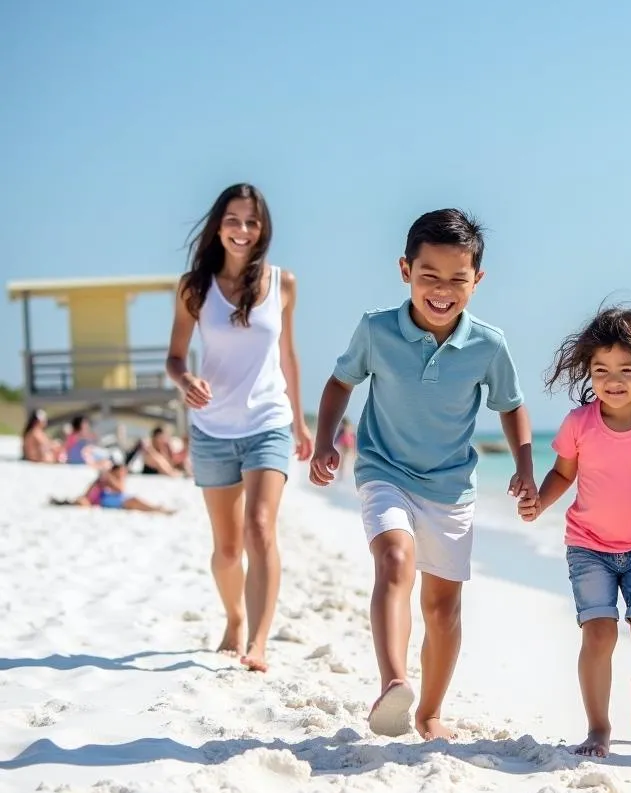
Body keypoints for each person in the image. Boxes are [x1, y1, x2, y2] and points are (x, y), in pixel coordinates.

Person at [310, 208, 536, 741]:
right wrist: (324, 444)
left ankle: (430, 711)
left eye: (457, 280)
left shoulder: (488, 344)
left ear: (476, 281)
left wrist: (525, 468)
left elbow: (512, 405)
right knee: (393, 560)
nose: (441, 290)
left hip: (451, 486)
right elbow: (340, 383)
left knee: (442, 607)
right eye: (428, 276)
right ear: (404, 270)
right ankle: (394, 683)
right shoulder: (376, 329)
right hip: (384, 469)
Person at [517, 307, 631, 758]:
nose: (612, 380)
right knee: (598, 635)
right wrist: (540, 500)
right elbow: (563, 474)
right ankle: (598, 728)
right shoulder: (579, 424)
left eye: (625, 370)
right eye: (601, 371)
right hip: (588, 546)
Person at [165, 183, 313, 673]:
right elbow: (174, 356)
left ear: (263, 228)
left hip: (269, 421)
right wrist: (186, 379)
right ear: (218, 225)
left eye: (252, 221)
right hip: (211, 428)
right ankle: (234, 618)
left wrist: (302, 420)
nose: (243, 230)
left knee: (260, 528)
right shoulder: (194, 288)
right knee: (227, 550)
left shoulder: (282, 283)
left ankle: (259, 643)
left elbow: (288, 355)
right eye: (233, 219)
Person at [50, 451, 174, 514]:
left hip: (112, 498)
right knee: (135, 502)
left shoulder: (108, 477)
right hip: (109, 500)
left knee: (136, 501)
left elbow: (118, 488)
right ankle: (156, 510)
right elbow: (118, 489)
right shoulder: (107, 477)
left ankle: (156, 509)